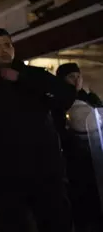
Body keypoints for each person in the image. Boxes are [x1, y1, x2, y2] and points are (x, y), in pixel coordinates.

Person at [0, 28, 76, 232]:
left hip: (45, 170)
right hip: (4, 177)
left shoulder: (33, 75)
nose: (4, 50)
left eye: (8, 45)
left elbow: (65, 96)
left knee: (57, 222)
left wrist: (22, 79)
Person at [55, 63, 103, 232]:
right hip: (74, 162)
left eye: (78, 76)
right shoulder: (58, 103)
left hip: (96, 157)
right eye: (71, 77)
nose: (76, 80)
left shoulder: (90, 98)